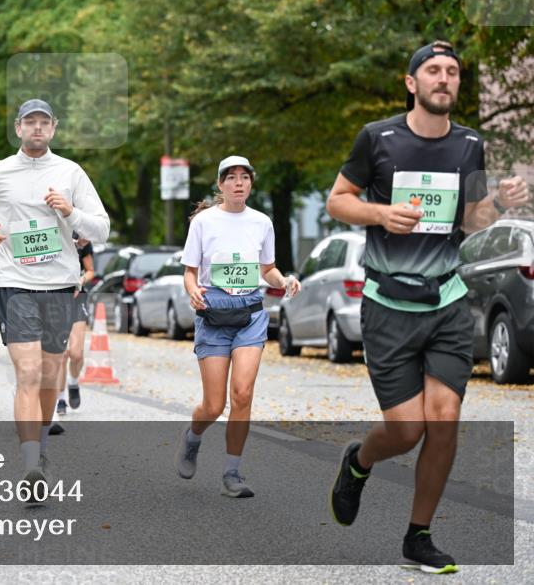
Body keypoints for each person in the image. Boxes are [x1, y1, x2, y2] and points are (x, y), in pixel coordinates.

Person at [324, 41, 529, 574]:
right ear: (412, 83)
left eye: (453, 72)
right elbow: (336, 199)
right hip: (388, 305)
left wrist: (501, 203)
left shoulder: (469, 145)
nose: (444, 78)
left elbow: (473, 220)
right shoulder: (379, 138)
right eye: (433, 70)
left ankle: (419, 535)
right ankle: (360, 461)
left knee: (445, 420)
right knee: (406, 430)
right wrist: (379, 214)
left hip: (446, 302)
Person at [0, 98, 110, 496]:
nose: (37, 128)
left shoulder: (70, 172)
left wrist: (71, 212)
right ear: (19, 128)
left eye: (44, 122)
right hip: (14, 281)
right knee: (27, 372)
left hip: (60, 285)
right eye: (30, 122)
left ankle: (39, 451)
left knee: (47, 377)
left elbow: (102, 228)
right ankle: (29, 468)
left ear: (54, 128)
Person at [175, 156, 301, 498]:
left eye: (244, 177)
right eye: (231, 178)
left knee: (242, 394)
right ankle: (193, 437)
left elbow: (268, 269)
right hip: (214, 312)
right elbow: (189, 271)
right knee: (214, 405)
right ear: (221, 185)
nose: (238, 183)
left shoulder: (261, 222)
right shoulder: (204, 222)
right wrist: (193, 290)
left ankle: (232, 473)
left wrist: (284, 280)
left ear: (251, 183)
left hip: (249, 313)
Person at [56, 232, 95, 421]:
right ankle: (60, 398)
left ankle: (73, 381)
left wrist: (81, 280)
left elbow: (90, 270)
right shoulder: (52, 231)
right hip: (56, 297)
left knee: (76, 353)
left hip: (78, 297)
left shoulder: (81, 236)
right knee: (61, 353)